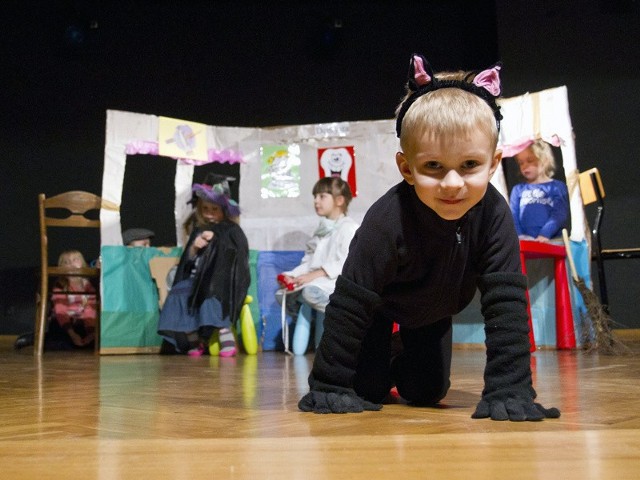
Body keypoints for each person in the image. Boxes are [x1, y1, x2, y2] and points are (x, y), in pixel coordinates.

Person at [297, 53, 560, 421]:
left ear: (493, 164)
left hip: (436, 312)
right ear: (407, 167)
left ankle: (400, 351)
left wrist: (509, 388)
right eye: (433, 166)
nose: (452, 184)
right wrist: (328, 384)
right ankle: (381, 352)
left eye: (469, 165)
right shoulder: (386, 220)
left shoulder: (494, 214)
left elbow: (507, 304)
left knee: (426, 392)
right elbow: (350, 302)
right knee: (366, 389)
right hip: (378, 309)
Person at [158, 174, 250, 357]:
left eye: (214, 209)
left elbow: (237, 258)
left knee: (210, 292)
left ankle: (224, 332)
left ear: (224, 210)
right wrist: (194, 247)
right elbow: (187, 261)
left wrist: (216, 242)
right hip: (194, 279)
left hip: (221, 280)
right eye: (205, 209)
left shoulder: (232, 230)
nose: (209, 214)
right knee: (180, 292)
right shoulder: (199, 230)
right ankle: (194, 339)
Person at [276, 177, 358, 355]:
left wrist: (315, 275)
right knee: (286, 293)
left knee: (310, 291)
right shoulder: (320, 230)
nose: (316, 201)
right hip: (317, 280)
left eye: (322, 196)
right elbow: (309, 261)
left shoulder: (349, 228)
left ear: (339, 200)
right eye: (315, 196)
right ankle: (308, 336)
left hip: (334, 281)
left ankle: (341, 315)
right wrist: (293, 275)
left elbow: (345, 262)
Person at [509, 140, 570, 242]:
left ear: (544, 160)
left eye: (530, 160)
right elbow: (513, 216)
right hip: (525, 242)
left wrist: (545, 234)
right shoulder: (518, 190)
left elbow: (559, 214)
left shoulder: (557, 187)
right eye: (521, 163)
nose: (525, 166)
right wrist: (520, 237)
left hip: (552, 240)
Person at [50, 250, 98, 348]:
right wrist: (72, 334)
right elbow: (60, 311)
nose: (71, 264)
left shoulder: (88, 286)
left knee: (91, 339)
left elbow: (90, 310)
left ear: (83, 264)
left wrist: (91, 334)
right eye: (66, 262)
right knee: (58, 338)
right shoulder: (61, 286)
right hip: (65, 325)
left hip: (83, 324)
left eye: (75, 260)